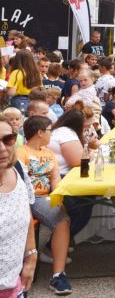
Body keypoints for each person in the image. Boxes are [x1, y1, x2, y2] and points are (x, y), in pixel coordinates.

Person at [16, 115, 73, 294]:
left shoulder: (48, 153)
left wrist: (58, 197)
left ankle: (58, 275)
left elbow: (55, 179)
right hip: (25, 196)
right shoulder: (21, 152)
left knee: (62, 220)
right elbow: (20, 182)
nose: (52, 135)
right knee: (61, 219)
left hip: (43, 197)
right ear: (40, 133)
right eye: (50, 130)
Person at [0, 118, 38, 296]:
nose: (2, 148)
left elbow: (26, 211)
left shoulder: (18, 170)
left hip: (14, 287)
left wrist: (31, 256)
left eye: (8, 139)